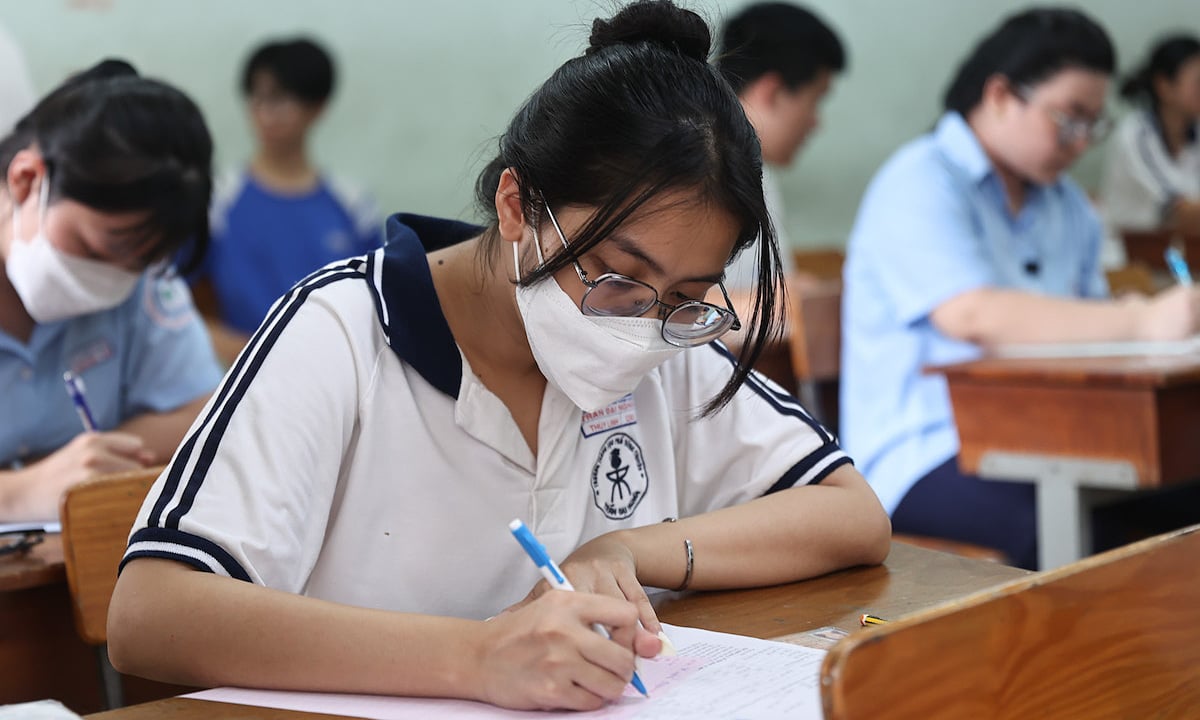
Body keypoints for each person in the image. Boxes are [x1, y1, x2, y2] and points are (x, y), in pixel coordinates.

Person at [108, 1, 890, 712]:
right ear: (518, 206)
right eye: (618, 275)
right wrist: (477, 658)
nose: (644, 321)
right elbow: (151, 614)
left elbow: (852, 513)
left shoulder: (666, 341)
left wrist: (626, 547)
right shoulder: (345, 330)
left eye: (687, 293)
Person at [840, 7, 1200, 570]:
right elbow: (971, 315)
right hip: (926, 453)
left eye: (1093, 124)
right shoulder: (919, 180)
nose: (1081, 142)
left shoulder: (1068, 207)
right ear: (1002, 95)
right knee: (1088, 530)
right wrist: (1142, 321)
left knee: (1182, 495)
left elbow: (1088, 335)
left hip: (1053, 439)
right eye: (1070, 118)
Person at [0, 61, 222, 523]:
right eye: (95, 249)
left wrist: (95, 462)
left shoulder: (141, 278)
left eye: (139, 264)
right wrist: (24, 491)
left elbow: (204, 413)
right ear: (27, 181)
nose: (111, 281)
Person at [193, 36, 381, 353]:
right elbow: (178, 311)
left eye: (280, 99)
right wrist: (256, 359)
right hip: (239, 377)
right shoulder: (216, 200)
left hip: (333, 379)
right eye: (257, 98)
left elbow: (376, 310)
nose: (266, 113)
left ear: (316, 107)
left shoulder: (353, 206)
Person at [715, 2, 846, 288]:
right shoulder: (700, 169)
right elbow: (675, 308)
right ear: (772, 92)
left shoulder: (755, 169)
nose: (815, 123)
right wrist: (790, 305)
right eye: (815, 100)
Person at [1100, 34, 1200, 236]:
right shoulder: (1135, 134)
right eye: (1198, 82)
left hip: (1182, 250)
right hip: (1132, 255)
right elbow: (1176, 208)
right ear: (1164, 86)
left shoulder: (1195, 132)